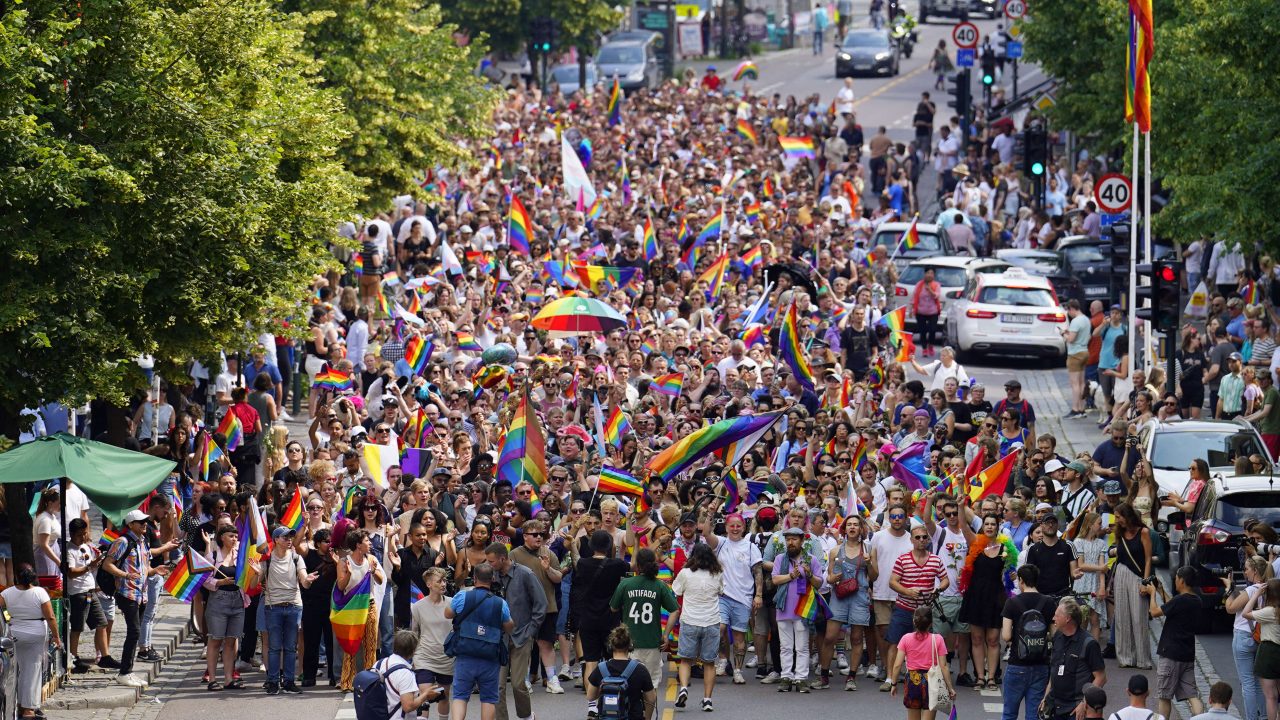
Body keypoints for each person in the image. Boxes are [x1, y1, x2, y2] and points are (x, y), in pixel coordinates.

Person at [101, 508, 171, 688]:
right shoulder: (122, 542)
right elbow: (107, 564)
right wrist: (124, 575)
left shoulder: (143, 542)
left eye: (146, 522)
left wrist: (155, 570)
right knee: (134, 631)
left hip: (142, 594)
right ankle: (124, 672)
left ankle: (128, 671)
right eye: (141, 522)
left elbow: (144, 567)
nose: (144, 525)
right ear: (131, 525)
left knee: (135, 632)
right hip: (127, 592)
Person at [486, 542, 548, 720]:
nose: (489, 565)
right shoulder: (491, 576)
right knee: (497, 686)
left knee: (518, 683)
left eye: (491, 561)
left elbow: (541, 604)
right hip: (498, 639)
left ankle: (526, 716)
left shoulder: (525, 574)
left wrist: (530, 631)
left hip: (521, 635)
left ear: (502, 558)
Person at [884, 521, 949, 691]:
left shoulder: (935, 560)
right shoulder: (903, 559)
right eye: (917, 537)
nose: (921, 540)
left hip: (925, 610)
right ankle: (890, 677)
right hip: (904, 607)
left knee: (928, 643)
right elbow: (892, 582)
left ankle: (928, 676)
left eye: (924, 537)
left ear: (928, 540)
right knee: (894, 642)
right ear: (911, 540)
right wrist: (907, 591)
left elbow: (945, 580)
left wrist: (938, 589)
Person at [447, 562, 515, 720]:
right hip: (489, 657)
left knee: (460, 696)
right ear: (492, 578)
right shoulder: (500, 603)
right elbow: (509, 626)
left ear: (474, 578)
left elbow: (448, 614)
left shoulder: (462, 596)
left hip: (465, 654)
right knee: (489, 698)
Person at [258, 525, 318, 694]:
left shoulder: (297, 558)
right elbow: (255, 584)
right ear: (276, 540)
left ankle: (289, 681)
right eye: (285, 537)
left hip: (294, 607)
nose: (289, 540)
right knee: (275, 647)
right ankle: (272, 681)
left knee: (291, 647)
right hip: (273, 607)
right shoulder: (267, 560)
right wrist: (256, 573)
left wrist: (309, 580)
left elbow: (304, 582)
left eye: (291, 537)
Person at [0, 564, 63, 719]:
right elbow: (51, 617)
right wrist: (56, 636)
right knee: (32, 670)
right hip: (36, 632)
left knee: (17, 671)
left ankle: (20, 704)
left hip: (15, 631)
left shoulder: (7, 592)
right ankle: (29, 709)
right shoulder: (40, 592)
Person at [610, 547, 679, 690]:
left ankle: (633, 710)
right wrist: (666, 634)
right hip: (653, 642)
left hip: (629, 643)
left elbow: (613, 608)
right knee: (651, 684)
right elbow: (675, 610)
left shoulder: (626, 584)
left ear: (638, 565)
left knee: (629, 682)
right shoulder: (660, 585)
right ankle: (647, 712)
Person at [1143, 566, 1207, 720]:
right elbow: (1172, 606)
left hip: (1170, 653)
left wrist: (1152, 594)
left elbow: (1154, 612)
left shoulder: (1180, 601)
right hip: (1187, 653)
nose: (1175, 581)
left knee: (1164, 695)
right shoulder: (1197, 600)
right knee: (1191, 694)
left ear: (1182, 581)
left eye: (1177, 578)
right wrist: (1160, 591)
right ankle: (1200, 718)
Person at [671, 542, 725, 712]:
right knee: (709, 663)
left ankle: (684, 689)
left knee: (686, 660)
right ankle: (707, 700)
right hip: (711, 622)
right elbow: (721, 592)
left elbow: (676, 592)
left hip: (690, 621)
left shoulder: (685, 573)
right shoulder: (717, 573)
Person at [770, 525, 824, 693]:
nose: (790, 542)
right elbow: (775, 580)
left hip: (803, 608)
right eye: (788, 539)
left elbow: (819, 583)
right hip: (784, 607)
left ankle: (801, 678)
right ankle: (786, 676)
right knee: (785, 646)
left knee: (802, 646)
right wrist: (791, 576)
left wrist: (808, 575)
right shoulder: (780, 558)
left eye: (794, 539)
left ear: (802, 541)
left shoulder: (811, 560)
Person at [1001, 565, 1057, 720]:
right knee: (1033, 714)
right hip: (1040, 665)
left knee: (1009, 713)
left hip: (1017, 663)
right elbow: (1054, 634)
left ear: (1021, 580)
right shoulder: (1048, 602)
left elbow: (1005, 636)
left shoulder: (1012, 603)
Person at [1041, 596, 1106, 720]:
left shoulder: (1089, 644)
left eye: (1057, 615)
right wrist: (1046, 697)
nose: (1053, 618)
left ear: (1067, 619)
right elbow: (1054, 669)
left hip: (1075, 709)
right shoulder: (1058, 636)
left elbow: (1101, 678)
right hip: (1055, 705)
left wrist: (1084, 703)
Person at [888, 606, 956, 720]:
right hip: (931, 681)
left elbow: (897, 665)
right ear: (931, 623)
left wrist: (893, 684)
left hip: (912, 681)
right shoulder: (938, 639)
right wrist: (950, 688)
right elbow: (944, 666)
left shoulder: (906, 638)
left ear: (914, 621)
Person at [1224, 555, 1269, 720]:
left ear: (1255, 570)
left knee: (1247, 683)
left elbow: (1230, 608)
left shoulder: (1251, 590)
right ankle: (1264, 716)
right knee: (1258, 683)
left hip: (1243, 636)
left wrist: (1229, 588)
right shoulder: (1267, 587)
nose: (1244, 572)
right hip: (1258, 635)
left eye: (1246, 569)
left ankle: (1251, 718)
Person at [1111, 502, 1153, 670]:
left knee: (1139, 617)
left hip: (1137, 575)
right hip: (1121, 572)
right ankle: (1125, 657)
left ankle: (1143, 659)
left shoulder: (1143, 532)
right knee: (1122, 616)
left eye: (1119, 517)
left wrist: (1145, 582)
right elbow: (1117, 554)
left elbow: (1148, 558)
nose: (1117, 520)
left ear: (1127, 516)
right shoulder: (1119, 533)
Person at [586, 625, 658, 720]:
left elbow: (590, 696)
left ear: (610, 646)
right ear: (630, 646)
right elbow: (651, 699)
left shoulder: (601, 668)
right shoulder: (640, 669)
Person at [374, 629, 443, 720]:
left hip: (378, 715)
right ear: (413, 651)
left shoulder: (379, 664)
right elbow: (408, 707)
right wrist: (425, 695)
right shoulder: (405, 674)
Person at [1064, 300, 1092, 418]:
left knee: (1074, 383)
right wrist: (1069, 332)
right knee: (1081, 383)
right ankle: (1082, 408)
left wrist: (1063, 334)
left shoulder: (1075, 321)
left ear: (1071, 309)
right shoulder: (1086, 319)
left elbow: (1071, 339)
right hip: (1085, 351)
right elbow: (1087, 335)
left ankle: (1075, 409)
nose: (1068, 314)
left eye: (1068, 311)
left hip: (1075, 354)